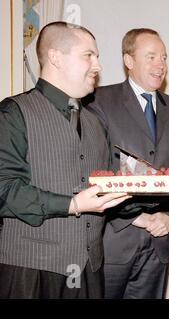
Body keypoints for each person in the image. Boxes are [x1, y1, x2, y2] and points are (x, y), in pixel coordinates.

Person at [0, 21, 130, 299]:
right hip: (31, 271)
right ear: (55, 57)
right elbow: (4, 189)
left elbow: (105, 192)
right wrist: (72, 205)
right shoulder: (13, 113)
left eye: (97, 57)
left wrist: (163, 191)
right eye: (88, 56)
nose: (97, 66)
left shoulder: (96, 123)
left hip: (90, 271)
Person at [87, 28, 169, 299]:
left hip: (159, 243)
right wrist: (134, 216)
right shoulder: (98, 102)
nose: (161, 65)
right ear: (129, 61)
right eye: (152, 57)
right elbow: (92, 169)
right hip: (114, 239)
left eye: (164, 58)